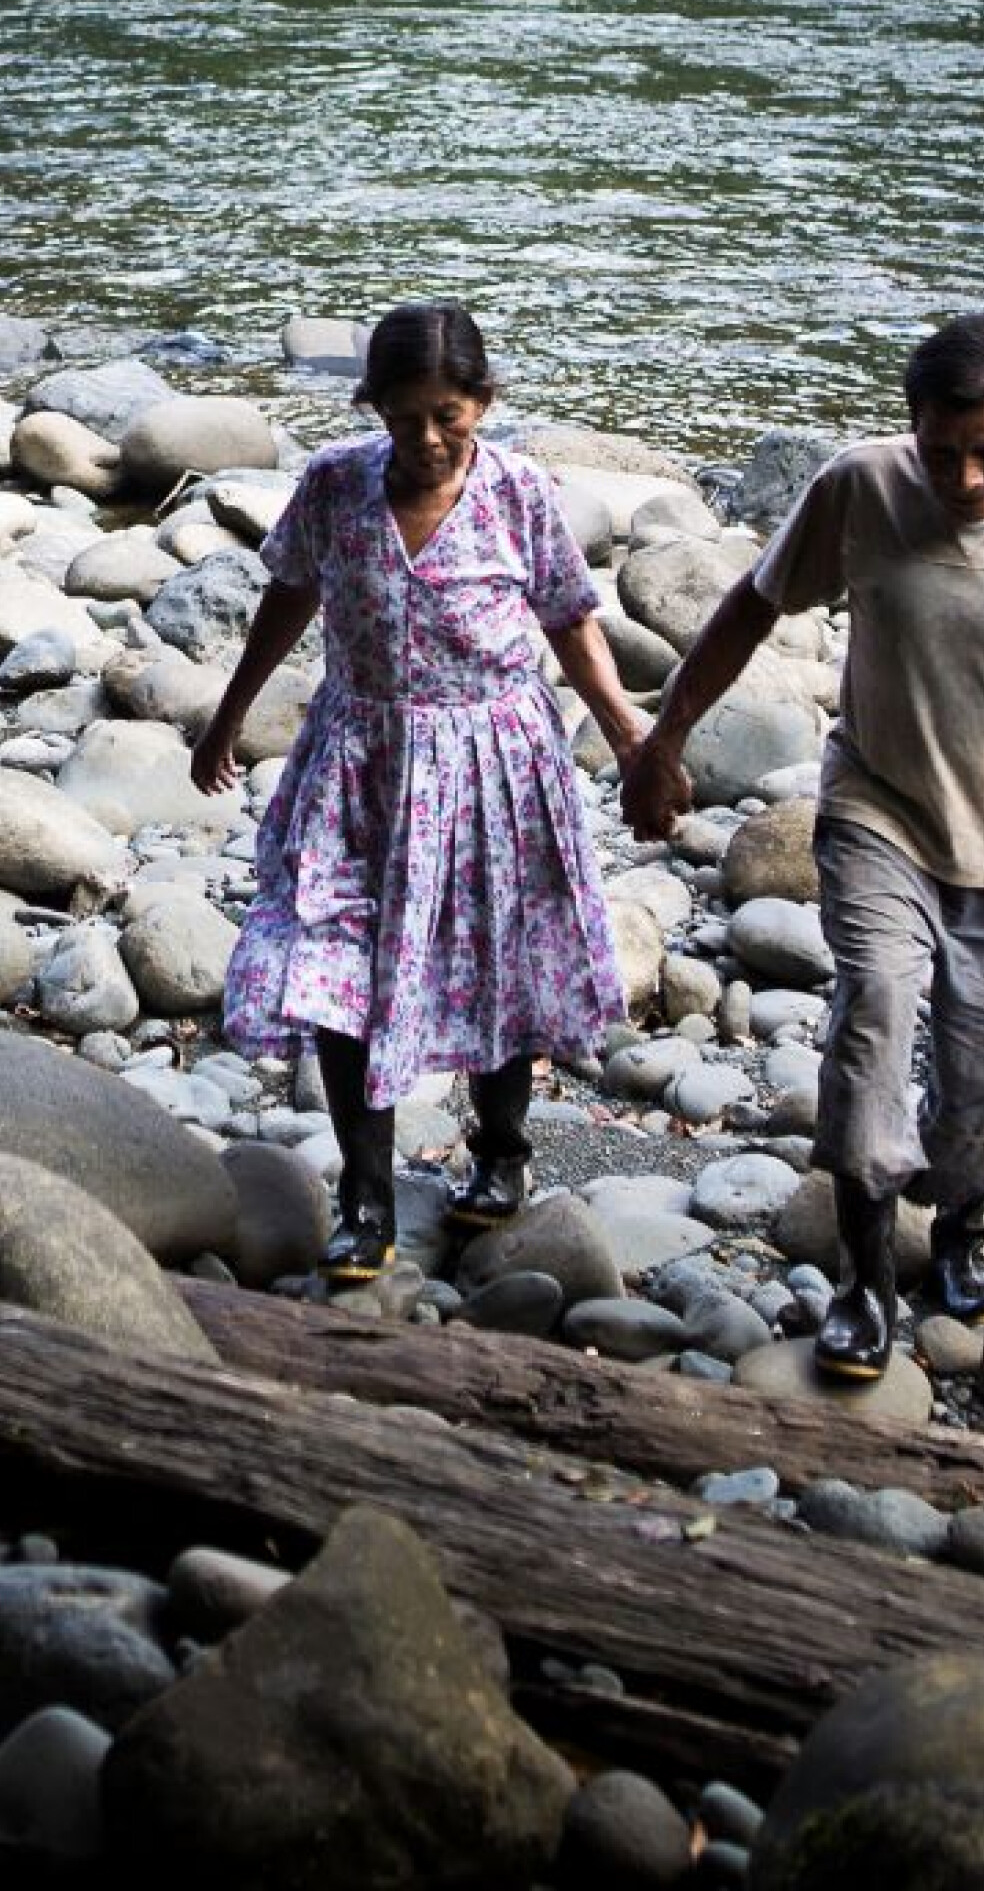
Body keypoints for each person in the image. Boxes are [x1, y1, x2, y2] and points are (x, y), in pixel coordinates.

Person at [623, 314, 984, 1383]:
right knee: (870, 1017)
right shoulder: (859, 487)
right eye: (938, 450)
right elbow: (750, 603)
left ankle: (960, 1226)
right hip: (879, 814)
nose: (961, 478)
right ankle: (862, 1282)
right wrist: (665, 735)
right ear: (908, 429)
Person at [192, 302, 655, 1283]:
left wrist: (627, 732)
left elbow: (569, 618)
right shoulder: (333, 486)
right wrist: (228, 712)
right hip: (358, 761)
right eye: (405, 419)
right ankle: (364, 1202)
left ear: (482, 401)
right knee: (332, 974)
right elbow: (289, 592)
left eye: (447, 414)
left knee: (496, 965)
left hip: (492, 765)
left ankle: (499, 1153)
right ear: (374, 411)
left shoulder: (519, 491)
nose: (428, 438)